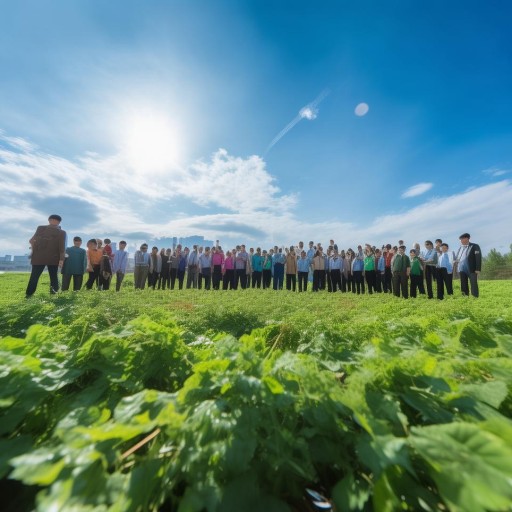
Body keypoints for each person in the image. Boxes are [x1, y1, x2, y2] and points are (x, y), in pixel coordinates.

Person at [26, 214, 67, 297]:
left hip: (42, 257)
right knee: (52, 277)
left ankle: (29, 294)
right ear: (49, 220)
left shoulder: (41, 228)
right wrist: (61, 259)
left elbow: (31, 241)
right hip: (50, 258)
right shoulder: (61, 232)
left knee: (36, 276)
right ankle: (53, 294)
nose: (55, 222)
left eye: (56, 220)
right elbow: (62, 248)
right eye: (53, 220)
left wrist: (33, 251)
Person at [455, 233, 482, 298]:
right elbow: (458, 258)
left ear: (467, 238)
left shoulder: (474, 246)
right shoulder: (460, 248)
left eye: (462, 239)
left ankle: (475, 297)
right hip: (461, 269)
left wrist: (478, 269)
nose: (461, 241)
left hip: (471, 269)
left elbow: (478, 257)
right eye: (460, 239)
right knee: (463, 284)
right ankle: (465, 297)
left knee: (473, 284)